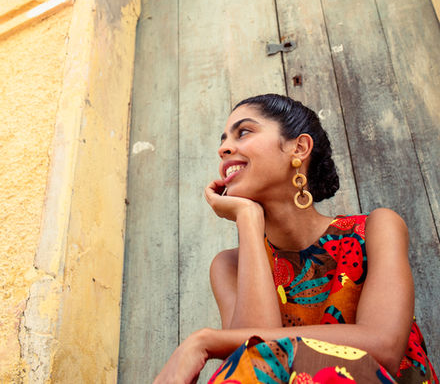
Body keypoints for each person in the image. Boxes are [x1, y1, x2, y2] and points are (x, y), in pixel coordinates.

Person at [153, 94, 438, 384]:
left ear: (299, 148)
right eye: (223, 139)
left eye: (244, 132)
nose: (223, 148)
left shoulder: (376, 229)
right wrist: (248, 219)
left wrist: (206, 340)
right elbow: (253, 368)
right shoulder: (229, 266)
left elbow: (384, 348)